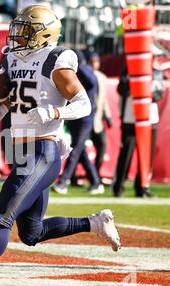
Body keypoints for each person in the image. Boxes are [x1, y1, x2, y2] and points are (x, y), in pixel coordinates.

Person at [0, 5, 121, 286]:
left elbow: (83, 103)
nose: (18, 35)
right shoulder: (11, 58)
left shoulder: (56, 59)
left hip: (43, 152)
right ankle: (95, 223)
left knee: (1, 219)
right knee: (31, 233)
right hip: (24, 152)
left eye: (26, 29)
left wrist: (55, 110)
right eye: (18, 28)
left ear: (44, 33)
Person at [52, 50, 104, 195]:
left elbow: (91, 82)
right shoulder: (77, 73)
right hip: (75, 118)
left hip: (85, 119)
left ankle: (63, 182)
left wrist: (77, 66)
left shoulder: (86, 71)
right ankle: (95, 182)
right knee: (80, 152)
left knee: (75, 150)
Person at [112, 60, 164, 198]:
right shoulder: (129, 68)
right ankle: (118, 187)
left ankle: (142, 187)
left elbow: (160, 93)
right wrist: (136, 86)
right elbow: (121, 89)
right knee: (126, 155)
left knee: (147, 156)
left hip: (150, 120)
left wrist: (147, 93)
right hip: (131, 119)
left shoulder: (156, 71)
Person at [89, 52, 112, 180]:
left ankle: (95, 173)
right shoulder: (84, 76)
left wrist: (108, 115)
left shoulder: (102, 77)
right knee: (79, 149)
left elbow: (104, 100)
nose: (94, 64)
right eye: (92, 62)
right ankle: (73, 176)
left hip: (98, 120)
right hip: (86, 118)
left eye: (96, 62)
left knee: (102, 146)